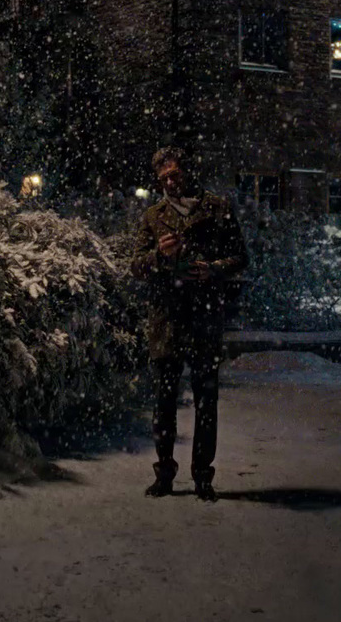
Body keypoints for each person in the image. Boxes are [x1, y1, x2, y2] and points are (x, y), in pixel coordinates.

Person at [130, 147, 248, 501]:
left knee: (205, 400)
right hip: (167, 318)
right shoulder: (154, 216)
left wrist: (213, 268)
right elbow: (135, 265)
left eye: (175, 174)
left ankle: (202, 477)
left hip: (204, 316)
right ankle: (164, 473)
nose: (170, 181)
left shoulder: (217, 208)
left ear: (187, 171)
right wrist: (158, 255)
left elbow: (241, 256)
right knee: (164, 400)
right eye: (163, 177)